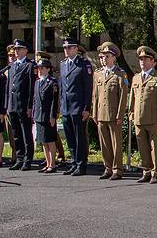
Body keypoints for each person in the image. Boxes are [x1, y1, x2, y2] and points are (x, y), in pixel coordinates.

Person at [129, 45, 157, 184]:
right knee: (143, 148)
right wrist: (131, 113)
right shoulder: (136, 78)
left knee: (155, 148)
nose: (143, 62)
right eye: (141, 59)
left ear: (153, 62)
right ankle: (146, 171)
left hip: (154, 120)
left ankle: (155, 173)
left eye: (146, 59)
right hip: (139, 119)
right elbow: (132, 99)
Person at [92, 42, 129, 180]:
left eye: (107, 56)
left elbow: (123, 97)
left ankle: (117, 169)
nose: (104, 59)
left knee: (116, 144)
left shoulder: (120, 74)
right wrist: (94, 113)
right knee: (105, 144)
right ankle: (107, 168)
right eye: (102, 57)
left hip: (114, 115)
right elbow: (95, 96)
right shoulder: (98, 74)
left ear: (114, 58)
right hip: (101, 114)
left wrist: (120, 115)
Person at [59, 37, 93, 176]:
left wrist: (86, 108)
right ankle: (73, 162)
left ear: (75, 49)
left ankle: (81, 164)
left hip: (78, 107)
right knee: (70, 137)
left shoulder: (83, 64)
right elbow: (62, 87)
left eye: (69, 47)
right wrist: (60, 106)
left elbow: (88, 88)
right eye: (65, 48)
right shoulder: (63, 64)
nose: (66, 50)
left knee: (80, 137)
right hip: (66, 107)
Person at [6, 39, 36, 171]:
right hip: (12, 105)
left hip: (23, 105)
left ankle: (27, 159)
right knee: (16, 134)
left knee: (26, 133)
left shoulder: (30, 66)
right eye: (15, 49)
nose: (16, 51)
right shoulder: (11, 66)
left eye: (19, 49)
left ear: (26, 50)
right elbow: (9, 87)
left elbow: (31, 88)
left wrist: (30, 106)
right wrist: (7, 105)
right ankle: (19, 157)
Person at [33, 58, 60, 173]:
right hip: (39, 115)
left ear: (48, 69)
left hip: (48, 115)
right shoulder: (37, 82)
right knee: (43, 141)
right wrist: (34, 114)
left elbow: (54, 101)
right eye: (38, 68)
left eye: (42, 68)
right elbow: (35, 100)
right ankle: (47, 162)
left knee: (50, 140)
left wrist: (52, 116)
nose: (39, 70)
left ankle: (52, 164)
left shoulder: (52, 82)